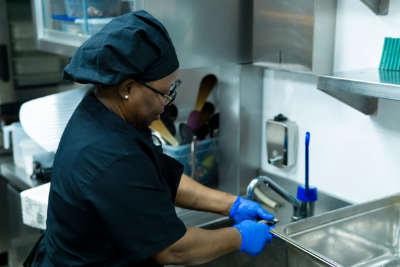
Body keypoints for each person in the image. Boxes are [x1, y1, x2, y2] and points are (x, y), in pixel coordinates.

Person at [24, 10, 275, 267]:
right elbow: (174, 250)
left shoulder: (104, 110)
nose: (166, 103)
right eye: (164, 93)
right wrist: (239, 237)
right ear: (127, 88)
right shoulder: (111, 156)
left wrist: (230, 205)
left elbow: (158, 176)